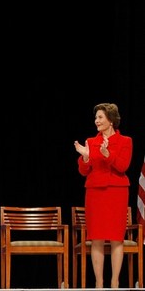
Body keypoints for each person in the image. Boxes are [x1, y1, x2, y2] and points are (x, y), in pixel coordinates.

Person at [74, 102, 132, 289]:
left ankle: (115, 282)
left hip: (117, 192)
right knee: (96, 237)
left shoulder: (126, 141)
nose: (96, 121)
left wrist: (108, 154)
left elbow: (123, 167)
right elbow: (84, 171)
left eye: (100, 117)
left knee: (116, 237)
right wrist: (84, 157)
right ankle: (99, 283)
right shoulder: (91, 142)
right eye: (96, 117)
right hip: (95, 193)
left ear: (111, 120)